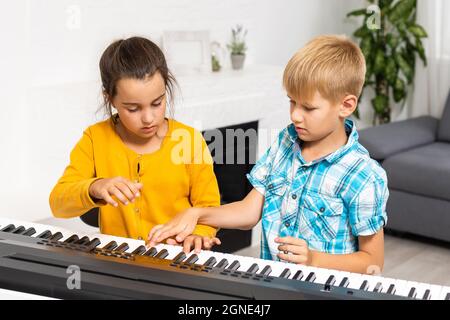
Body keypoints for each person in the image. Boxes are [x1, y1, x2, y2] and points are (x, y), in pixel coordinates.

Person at [147, 35, 388, 274]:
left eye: (308, 107)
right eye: (292, 102)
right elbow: (249, 212)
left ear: (346, 105)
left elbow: (372, 262)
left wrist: (314, 259)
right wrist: (196, 213)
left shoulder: (364, 176)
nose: (295, 115)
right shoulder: (286, 142)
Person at [49, 36, 221, 252]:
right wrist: (95, 186)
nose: (148, 118)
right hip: (116, 264)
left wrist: (199, 234)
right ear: (110, 98)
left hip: (177, 261)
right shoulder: (95, 138)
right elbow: (58, 205)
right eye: (133, 109)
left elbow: (209, 208)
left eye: (157, 103)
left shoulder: (189, 140)